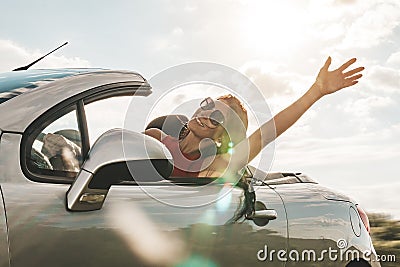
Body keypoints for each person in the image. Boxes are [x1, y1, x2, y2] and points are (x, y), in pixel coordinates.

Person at [145, 57, 364, 179]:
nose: (206, 114)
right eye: (208, 105)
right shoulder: (155, 138)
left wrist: (315, 91)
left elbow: (263, 135)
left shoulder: (217, 165)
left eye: (216, 117)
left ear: (223, 136)